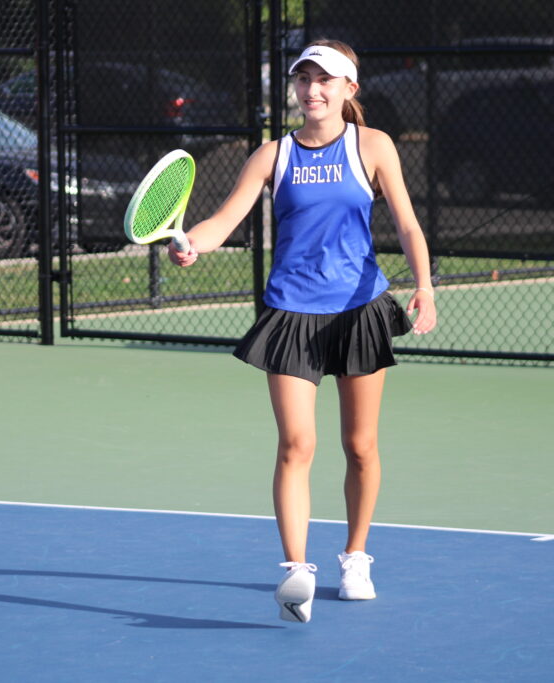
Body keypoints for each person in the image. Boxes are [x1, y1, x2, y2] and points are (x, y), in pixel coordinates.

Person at [167, 39, 437, 623]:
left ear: (348, 88)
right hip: (290, 312)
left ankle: (356, 558)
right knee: (296, 444)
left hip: (359, 309)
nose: (312, 90)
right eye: (304, 79)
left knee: (360, 446)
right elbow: (224, 219)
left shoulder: (373, 146)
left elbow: (408, 225)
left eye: (324, 80)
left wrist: (425, 285)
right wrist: (192, 244)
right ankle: (296, 572)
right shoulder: (272, 155)